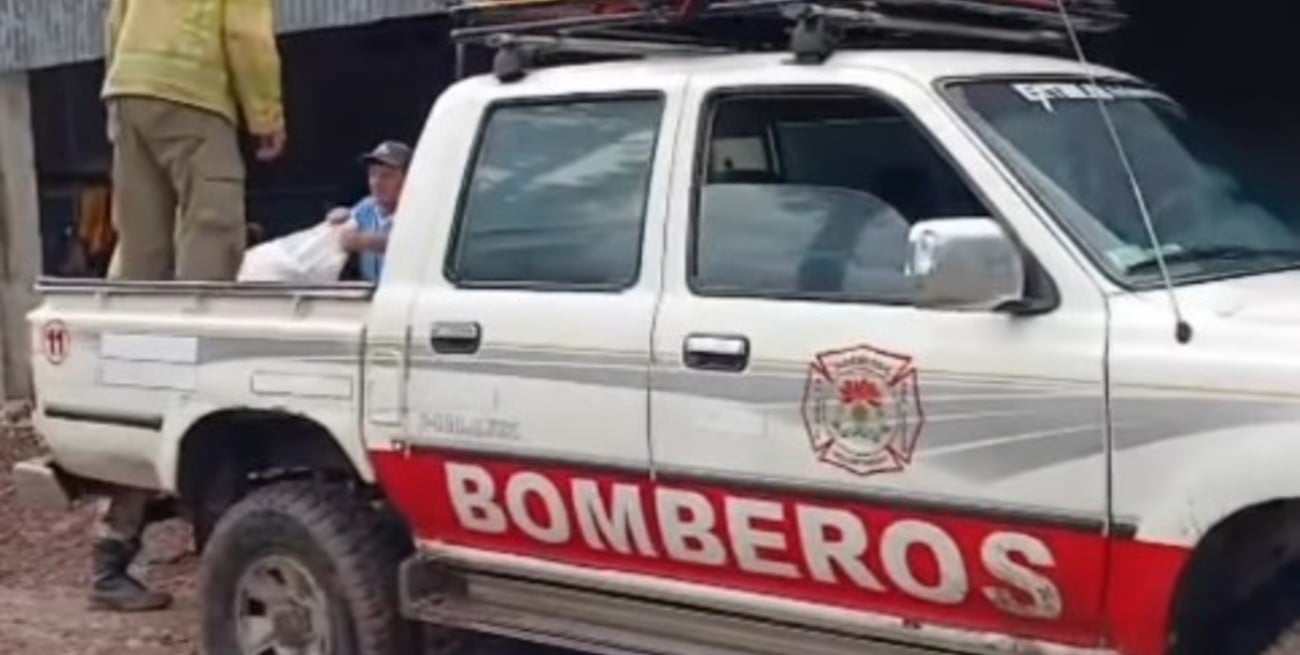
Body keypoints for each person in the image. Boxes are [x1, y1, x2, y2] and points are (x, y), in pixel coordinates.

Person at [93, 0, 286, 613]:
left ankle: (111, 558)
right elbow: (244, 32)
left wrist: (118, 93)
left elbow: (114, 18)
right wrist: (265, 115)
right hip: (191, 93)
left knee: (142, 261)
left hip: (126, 92)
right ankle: (199, 368)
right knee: (212, 232)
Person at [326, 141, 412, 282]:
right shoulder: (367, 206)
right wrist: (338, 218)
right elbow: (347, 222)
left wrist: (366, 241)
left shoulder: (420, 210)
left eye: (386, 176)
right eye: (373, 174)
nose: (377, 182)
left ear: (408, 178)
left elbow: (416, 245)